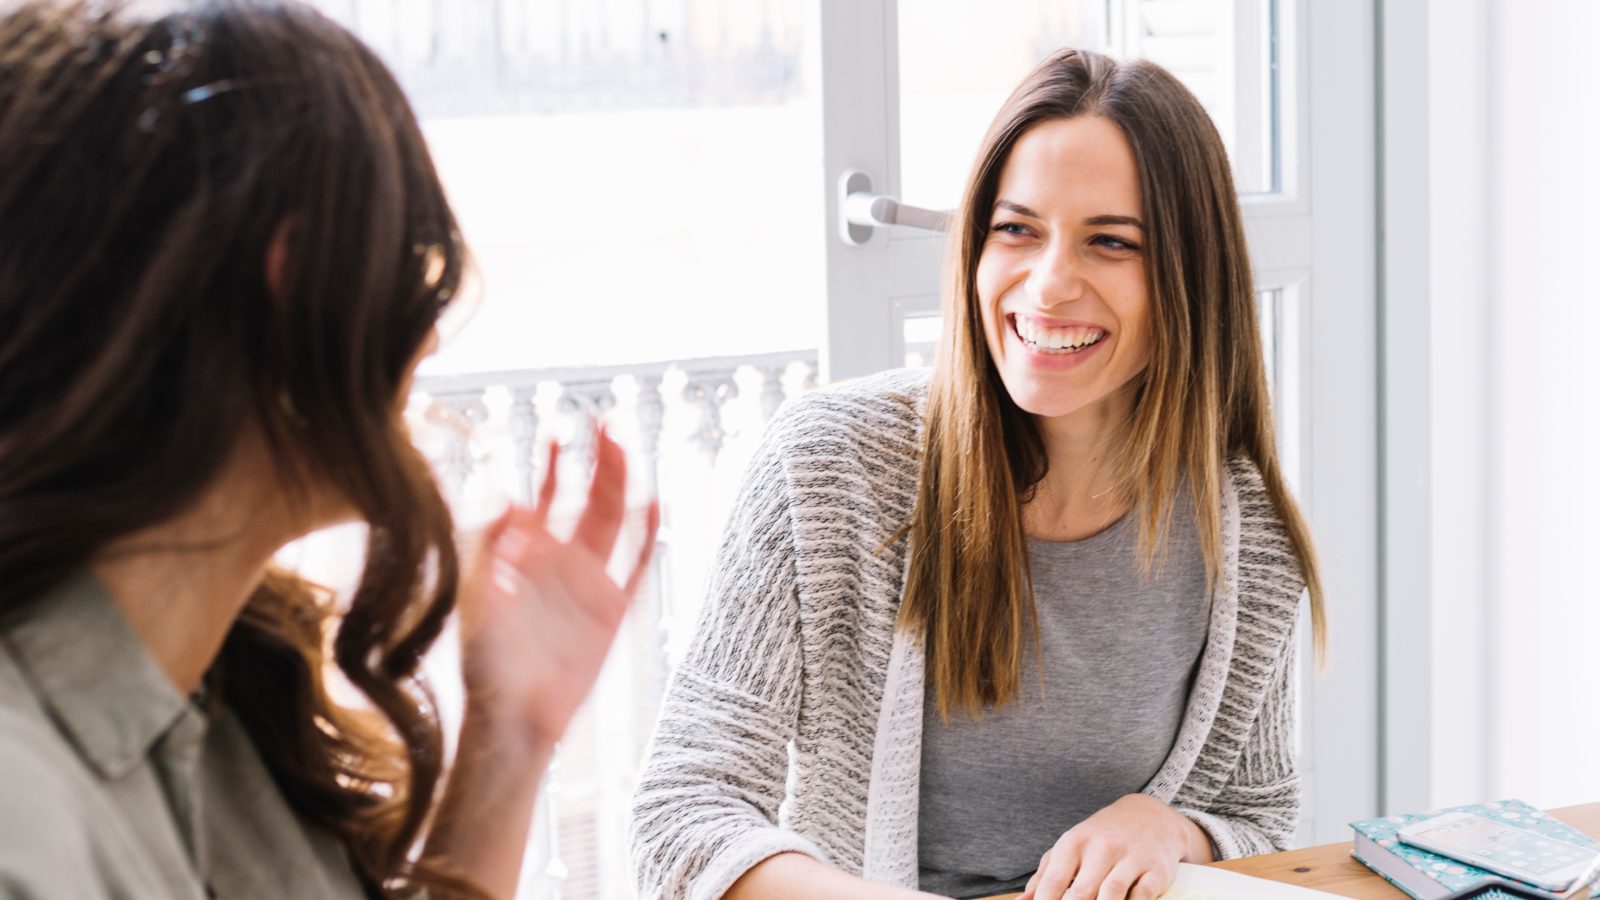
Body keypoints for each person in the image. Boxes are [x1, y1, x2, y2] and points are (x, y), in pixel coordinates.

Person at [630, 47, 1324, 900]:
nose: (1050, 284)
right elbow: (680, 815)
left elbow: (1257, 812)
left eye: (1111, 242)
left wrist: (1170, 825)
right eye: (1016, 229)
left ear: (1190, 276)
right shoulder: (828, 467)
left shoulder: (1244, 530)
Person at [0, 2, 655, 898]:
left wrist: (511, 739)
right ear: (298, 277)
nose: (425, 345)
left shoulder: (228, 702)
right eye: (410, 258)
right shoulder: (25, 824)